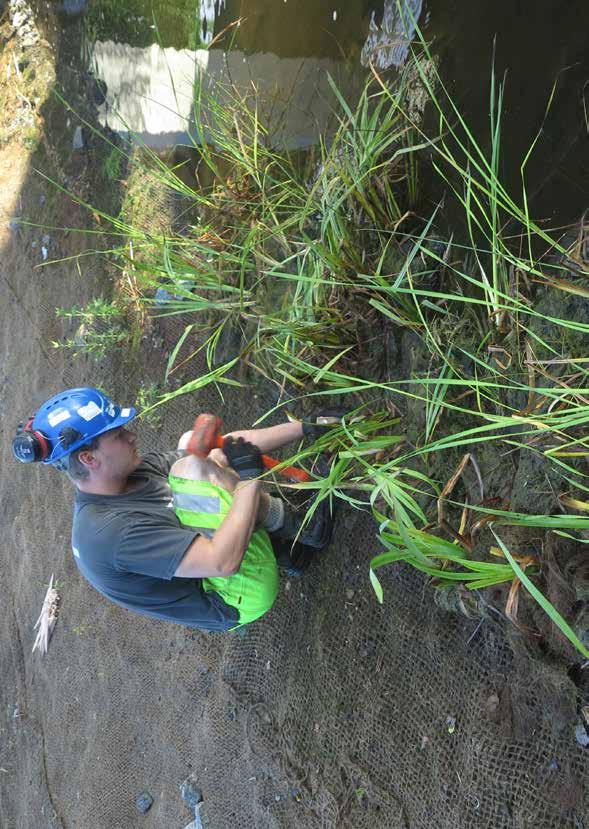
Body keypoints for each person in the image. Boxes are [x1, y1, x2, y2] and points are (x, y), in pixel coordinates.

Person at [12, 387, 335, 631]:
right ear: (88, 458)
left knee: (193, 448)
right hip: (233, 597)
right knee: (193, 470)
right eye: (119, 434)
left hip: (218, 561)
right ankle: (308, 529)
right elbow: (222, 563)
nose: (132, 435)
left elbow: (218, 452)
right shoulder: (109, 534)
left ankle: (287, 553)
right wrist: (249, 479)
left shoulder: (128, 474)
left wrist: (305, 428)